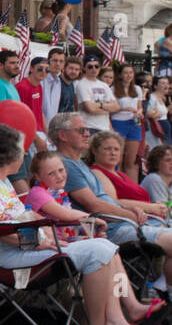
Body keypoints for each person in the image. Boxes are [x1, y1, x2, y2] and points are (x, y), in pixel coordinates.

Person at [0, 132, 160, 325]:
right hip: (9, 254)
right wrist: (37, 242)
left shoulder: (1, 180)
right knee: (98, 251)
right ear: (9, 154)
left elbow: (21, 217)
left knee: (108, 247)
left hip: (28, 247)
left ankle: (117, 320)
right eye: (22, 150)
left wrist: (46, 233)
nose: (24, 155)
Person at [48, 112, 172, 294]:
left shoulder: (79, 164)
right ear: (63, 135)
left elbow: (105, 200)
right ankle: (165, 294)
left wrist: (131, 209)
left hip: (121, 222)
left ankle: (165, 294)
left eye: (87, 130)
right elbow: (94, 206)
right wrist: (131, 215)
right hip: (109, 229)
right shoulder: (65, 165)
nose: (87, 134)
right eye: (81, 130)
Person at [86, 131, 170, 222]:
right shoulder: (97, 172)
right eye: (107, 149)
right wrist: (152, 207)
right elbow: (112, 202)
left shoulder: (121, 174)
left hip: (151, 219)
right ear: (95, 151)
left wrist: (155, 205)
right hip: (132, 222)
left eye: (116, 149)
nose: (113, 153)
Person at [112, 63, 144, 180]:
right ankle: (118, 184)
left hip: (134, 122)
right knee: (118, 159)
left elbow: (140, 105)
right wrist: (124, 109)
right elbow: (111, 109)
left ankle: (132, 188)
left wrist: (139, 111)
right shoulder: (113, 89)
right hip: (119, 122)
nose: (128, 75)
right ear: (120, 75)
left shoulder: (137, 89)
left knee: (131, 160)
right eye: (126, 73)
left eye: (131, 73)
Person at [75, 55, 118, 134]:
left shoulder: (104, 85)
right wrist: (107, 108)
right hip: (89, 127)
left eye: (96, 66)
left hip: (105, 127)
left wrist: (99, 105)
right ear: (84, 68)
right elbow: (90, 109)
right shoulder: (82, 84)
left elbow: (116, 107)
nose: (94, 69)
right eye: (90, 67)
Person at [42, 47, 67, 124]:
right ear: (48, 61)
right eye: (55, 60)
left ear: (64, 64)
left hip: (51, 127)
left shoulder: (58, 81)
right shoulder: (41, 79)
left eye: (61, 61)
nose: (58, 64)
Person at [145, 75, 170, 149]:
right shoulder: (152, 98)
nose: (166, 85)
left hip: (165, 131)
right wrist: (157, 114)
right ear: (155, 86)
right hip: (157, 130)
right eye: (163, 83)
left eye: (167, 83)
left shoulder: (162, 98)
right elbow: (147, 113)